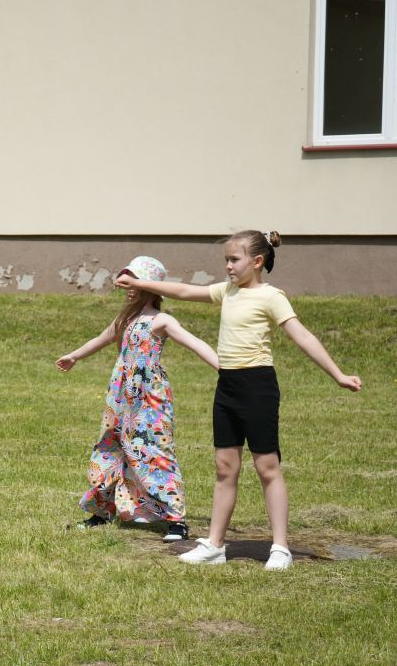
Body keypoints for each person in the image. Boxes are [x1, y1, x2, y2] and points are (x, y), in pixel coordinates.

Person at [116, 231, 362, 570]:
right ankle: (215, 545)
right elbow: (186, 291)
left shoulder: (272, 297)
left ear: (257, 261)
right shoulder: (227, 291)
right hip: (227, 386)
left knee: (266, 467)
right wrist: (141, 281)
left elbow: (302, 335)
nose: (228, 266)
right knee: (224, 468)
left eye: (234, 260)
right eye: (226, 260)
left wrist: (338, 375)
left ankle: (280, 547)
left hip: (258, 386)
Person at [56, 256, 219, 542]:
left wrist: (224, 368)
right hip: (120, 397)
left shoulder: (162, 320)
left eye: (136, 280)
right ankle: (101, 512)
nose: (130, 287)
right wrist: (74, 356)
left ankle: (176, 520)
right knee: (110, 448)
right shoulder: (125, 319)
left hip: (149, 398)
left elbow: (195, 343)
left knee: (155, 452)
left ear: (150, 285)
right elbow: (101, 338)